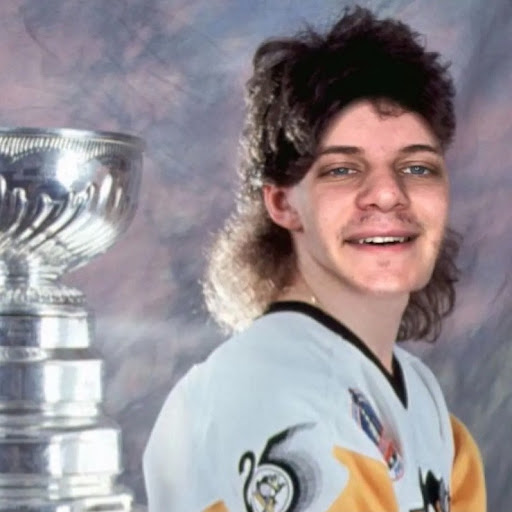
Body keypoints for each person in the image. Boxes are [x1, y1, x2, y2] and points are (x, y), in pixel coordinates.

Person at [143, 6, 486, 512]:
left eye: (417, 167)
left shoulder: (419, 394)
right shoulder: (273, 390)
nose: (387, 194)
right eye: (342, 170)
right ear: (282, 203)